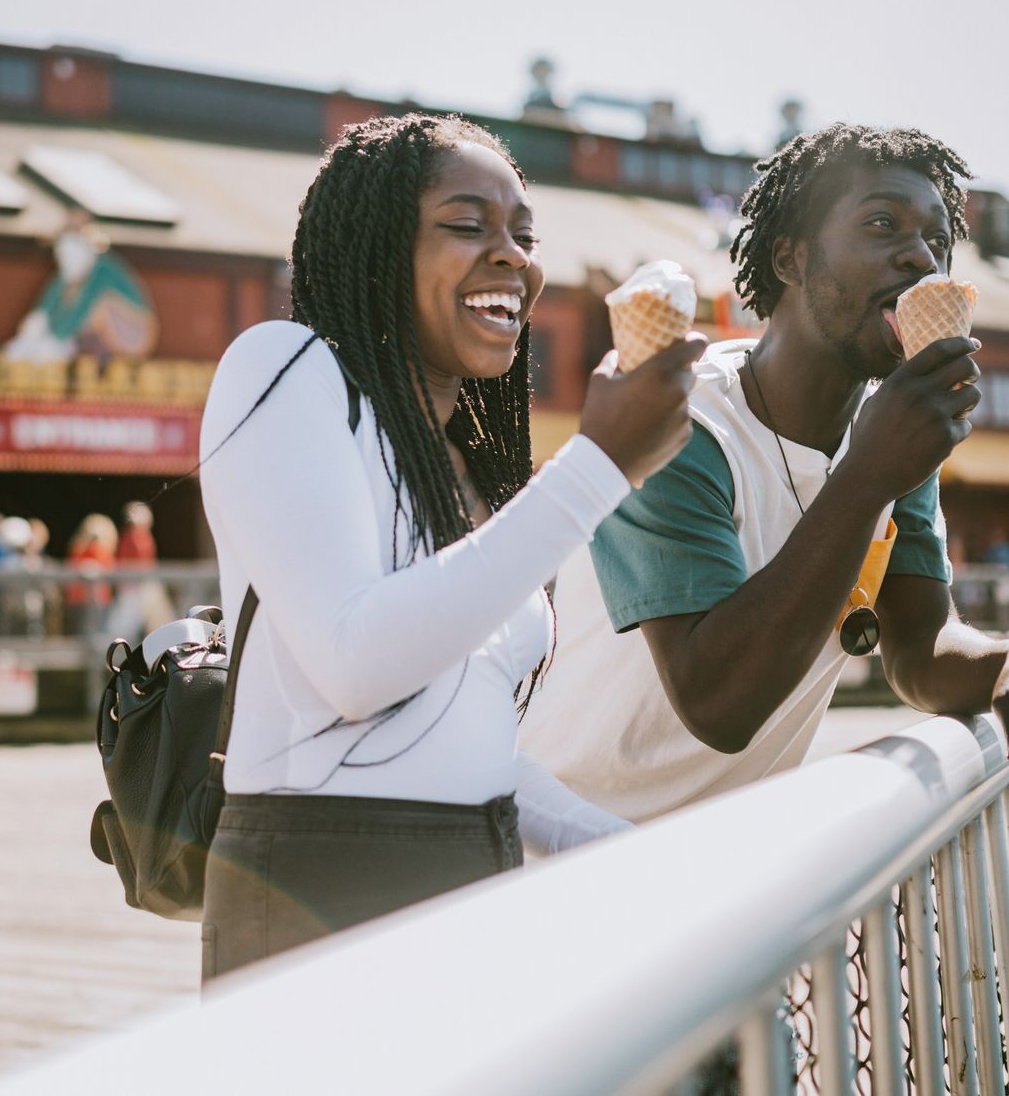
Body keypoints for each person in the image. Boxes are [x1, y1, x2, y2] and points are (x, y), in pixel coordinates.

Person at [197, 113, 702, 981]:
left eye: (524, 235)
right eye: (468, 226)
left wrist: (621, 848)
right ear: (377, 248)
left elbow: (462, 743)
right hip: (324, 895)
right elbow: (355, 666)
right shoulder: (282, 367)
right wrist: (599, 468)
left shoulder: (458, 468)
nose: (513, 257)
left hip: (473, 886)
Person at [522, 123, 1009, 825]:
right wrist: (869, 473)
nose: (920, 257)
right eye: (882, 224)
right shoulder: (680, 421)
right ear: (790, 257)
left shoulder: (895, 436)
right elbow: (718, 704)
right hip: (553, 859)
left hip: (725, 870)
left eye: (936, 239)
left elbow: (919, 652)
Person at [110, 500, 173, 643]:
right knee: (125, 622)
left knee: (159, 619)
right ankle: (117, 648)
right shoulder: (130, 536)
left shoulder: (143, 536)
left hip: (144, 583)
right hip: (133, 584)